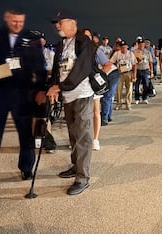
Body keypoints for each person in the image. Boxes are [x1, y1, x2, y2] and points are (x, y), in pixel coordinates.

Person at [0, 9, 47, 193]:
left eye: (20, 21)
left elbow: (41, 67)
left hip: (23, 94)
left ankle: (26, 168)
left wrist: (41, 90)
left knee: (26, 135)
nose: (17, 25)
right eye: (14, 21)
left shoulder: (32, 39)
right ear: (7, 19)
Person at [47, 11, 94, 195]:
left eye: (60, 22)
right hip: (67, 96)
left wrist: (59, 87)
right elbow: (57, 70)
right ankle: (76, 167)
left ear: (72, 23)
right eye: (56, 23)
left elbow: (82, 68)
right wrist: (52, 87)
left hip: (81, 95)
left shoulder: (83, 41)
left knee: (83, 137)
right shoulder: (62, 44)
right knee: (73, 135)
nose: (57, 26)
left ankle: (83, 178)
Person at [83, 29, 110, 151]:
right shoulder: (75, 49)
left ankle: (95, 139)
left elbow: (107, 64)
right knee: (81, 114)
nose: (86, 38)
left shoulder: (96, 50)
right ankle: (82, 138)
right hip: (80, 85)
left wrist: (98, 73)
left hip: (92, 84)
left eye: (89, 36)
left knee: (95, 112)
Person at [110, 40, 137, 110]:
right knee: (118, 89)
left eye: (125, 47)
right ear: (120, 47)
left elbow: (134, 64)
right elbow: (111, 62)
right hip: (120, 73)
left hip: (129, 72)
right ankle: (119, 104)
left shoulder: (131, 54)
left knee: (129, 89)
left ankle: (128, 104)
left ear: (127, 47)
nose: (123, 49)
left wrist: (134, 74)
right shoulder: (117, 54)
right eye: (122, 47)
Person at [133, 37, 153, 103]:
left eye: (142, 44)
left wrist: (151, 71)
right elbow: (133, 62)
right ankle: (137, 98)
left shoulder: (147, 52)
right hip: (138, 70)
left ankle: (144, 98)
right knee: (136, 85)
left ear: (144, 45)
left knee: (146, 85)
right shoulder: (134, 52)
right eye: (140, 44)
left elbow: (150, 62)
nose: (141, 46)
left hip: (145, 70)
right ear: (138, 45)